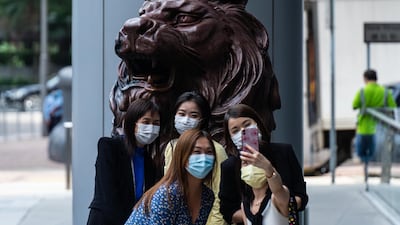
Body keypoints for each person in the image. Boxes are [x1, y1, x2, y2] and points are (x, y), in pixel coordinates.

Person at [219, 104, 308, 225]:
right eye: (235, 130)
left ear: (258, 124)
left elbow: (297, 194)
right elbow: (227, 209)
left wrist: (283, 206)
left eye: (247, 125)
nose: (243, 132)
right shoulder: (230, 166)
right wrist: (254, 216)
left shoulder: (283, 152)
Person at [87, 98, 164, 225]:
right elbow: (108, 196)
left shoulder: (150, 162)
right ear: (132, 123)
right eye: (146, 121)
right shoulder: (109, 147)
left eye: (156, 123)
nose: (151, 127)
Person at [125, 129, 216, 225]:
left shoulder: (207, 196)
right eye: (197, 152)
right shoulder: (168, 195)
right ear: (183, 156)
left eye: (209, 152)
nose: (204, 157)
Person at [163, 91, 228, 225]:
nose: (186, 120)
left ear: (202, 120)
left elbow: (220, 194)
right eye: (181, 114)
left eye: (193, 115)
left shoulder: (215, 150)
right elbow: (168, 186)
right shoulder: (171, 147)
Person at [352, 69, 397, 163]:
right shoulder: (385, 92)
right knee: (376, 155)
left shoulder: (362, 91)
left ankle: (366, 169)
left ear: (365, 79)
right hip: (380, 128)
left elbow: (354, 105)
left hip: (363, 128)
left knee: (362, 154)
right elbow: (393, 106)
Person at [240, 157, 290, 225]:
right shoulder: (245, 206)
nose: (251, 167)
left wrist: (269, 169)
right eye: (245, 163)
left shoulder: (276, 198)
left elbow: (278, 189)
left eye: (257, 163)